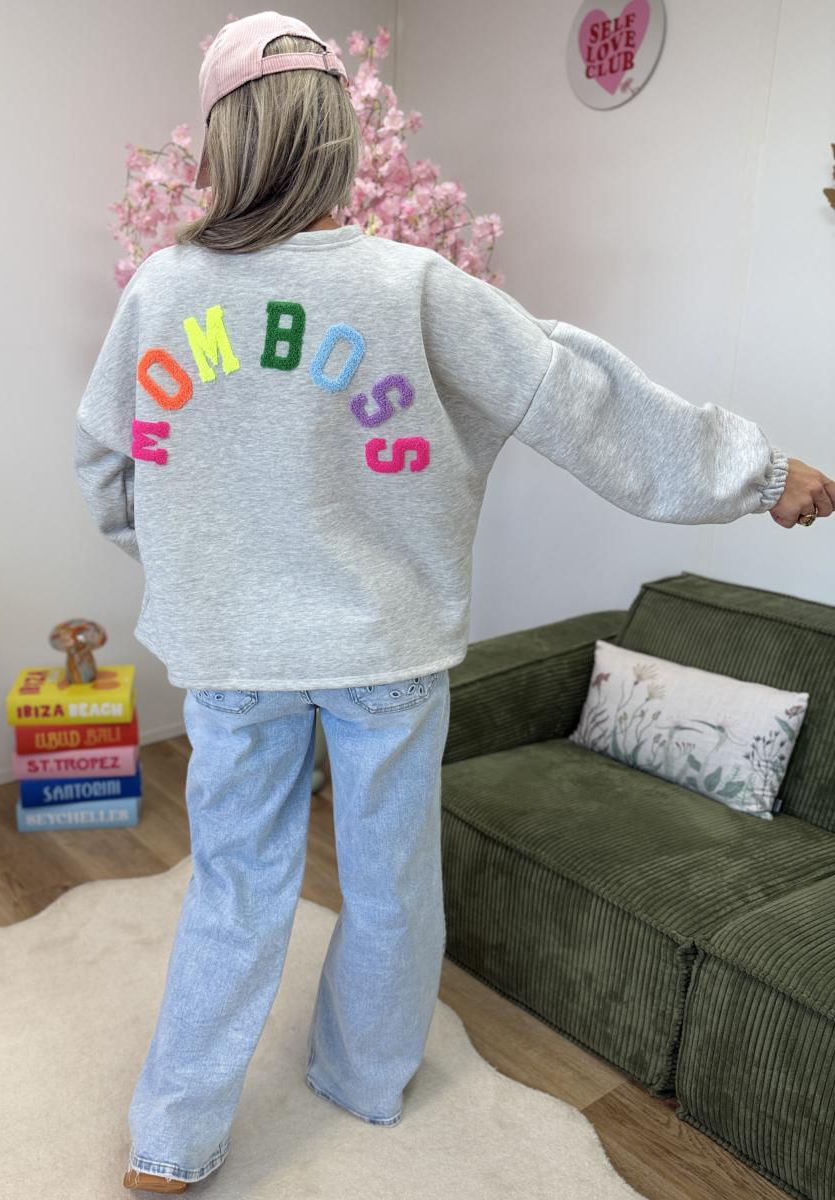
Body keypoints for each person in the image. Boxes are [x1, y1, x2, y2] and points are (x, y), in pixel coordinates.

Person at [72, 11, 835, 1194]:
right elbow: (576, 395)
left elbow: (108, 470)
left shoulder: (162, 293)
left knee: (233, 886)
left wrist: (192, 568)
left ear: (219, 145)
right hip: (384, 650)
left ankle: (171, 1145)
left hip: (231, 655)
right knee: (389, 883)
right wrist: (756, 473)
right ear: (339, 140)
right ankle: (365, 1078)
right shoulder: (412, 287)